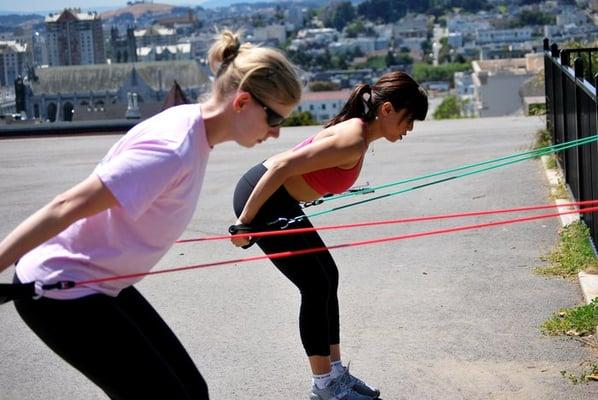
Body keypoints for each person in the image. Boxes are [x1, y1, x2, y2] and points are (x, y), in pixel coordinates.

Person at [0, 29, 301, 400]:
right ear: (241, 102)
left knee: (192, 391)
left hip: (99, 283)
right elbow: (66, 205)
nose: (274, 134)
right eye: (275, 120)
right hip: (60, 291)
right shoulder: (171, 151)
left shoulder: (192, 128)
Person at [231, 71, 428, 400]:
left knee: (328, 276)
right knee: (314, 284)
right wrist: (244, 223)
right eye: (409, 121)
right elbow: (280, 167)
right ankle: (324, 386)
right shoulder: (353, 139)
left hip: (281, 199)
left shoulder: (360, 135)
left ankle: (334, 374)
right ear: (389, 110)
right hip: (263, 199)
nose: (409, 130)